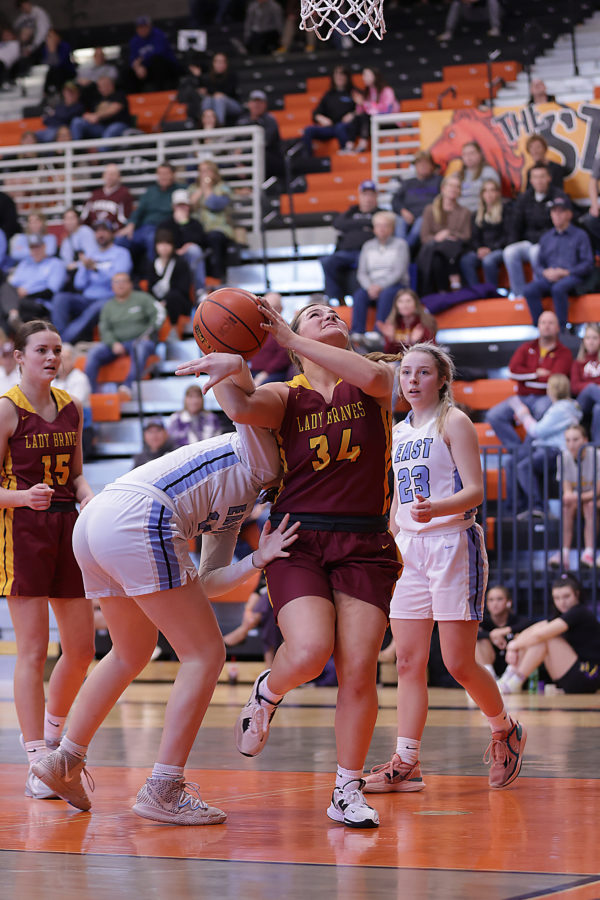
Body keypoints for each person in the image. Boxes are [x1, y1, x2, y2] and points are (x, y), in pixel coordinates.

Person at [31, 378, 298, 824]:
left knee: (130, 651)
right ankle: (164, 787)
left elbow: (206, 582)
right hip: (140, 515)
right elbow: (242, 407)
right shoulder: (263, 454)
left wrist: (256, 559)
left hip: (97, 522)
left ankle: (63, 760)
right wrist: (234, 366)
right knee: (206, 654)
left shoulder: (241, 495)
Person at [178, 301, 403, 829]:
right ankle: (269, 691)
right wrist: (229, 361)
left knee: (359, 669)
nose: (329, 315)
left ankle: (346, 788)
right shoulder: (286, 394)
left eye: (333, 312)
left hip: (365, 539)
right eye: (314, 314)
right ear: (295, 336)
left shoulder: (372, 374)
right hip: (299, 536)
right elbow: (242, 407)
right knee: (308, 651)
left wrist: (288, 338)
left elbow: (378, 379)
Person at [362, 342, 525, 796]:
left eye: (423, 372)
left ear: (442, 379)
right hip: (410, 550)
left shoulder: (454, 421)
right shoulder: (397, 431)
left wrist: (437, 508)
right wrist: (389, 541)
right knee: (408, 661)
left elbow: (475, 491)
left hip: (453, 543)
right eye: (406, 372)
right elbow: (397, 500)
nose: (412, 380)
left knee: (457, 662)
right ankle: (407, 762)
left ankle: (505, 729)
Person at [0, 320, 94, 799]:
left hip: (67, 527)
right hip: (22, 530)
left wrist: (87, 493)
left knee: (81, 649)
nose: (52, 357)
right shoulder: (6, 410)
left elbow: (76, 474)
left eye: (57, 349)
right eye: (41, 350)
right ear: (19, 356)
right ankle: (37, 758)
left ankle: (54, 742)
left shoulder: (71, 407)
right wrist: (20, 498)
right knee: (33, 650)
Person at [497, 574, 600, 694]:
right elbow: (534, 629)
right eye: (557, 598)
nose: (562, 602)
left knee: (546, 637)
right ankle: (510, 675)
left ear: (577, 594)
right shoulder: (562, 615)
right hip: (570, 676)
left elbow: (539, 635)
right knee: (539, 632)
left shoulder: (579, 612)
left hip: (588, 675)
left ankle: (514, 681)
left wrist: (512, 646)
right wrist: (515, 644)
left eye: (566, 596)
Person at [486, 310, 573, 448]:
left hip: (546, 396)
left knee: (542, 411)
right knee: (494, 415)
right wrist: (536, 374)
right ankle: (517, 451)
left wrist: (525, 380)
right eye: (543, 322)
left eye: (551, 323)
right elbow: (512, 372)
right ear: (538, 326)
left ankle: (528, 453)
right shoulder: (526, 348)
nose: (546, 326)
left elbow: (555, 381)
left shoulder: (564, 353)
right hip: (522, 396)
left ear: (557, 327)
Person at [507, 373, 581, 518]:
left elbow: (537, 431)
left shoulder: (561, 409)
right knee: (511, 462)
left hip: (555, 451)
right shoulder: (562, 407)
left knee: (524, 466)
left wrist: (524, 414)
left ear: (551, 390)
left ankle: (538, 507)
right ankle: (517, 509)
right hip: (542, 448)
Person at [51, 220, 132, 344]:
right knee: (60, 298)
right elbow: (79, 284)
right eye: (97, 231)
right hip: (86, 298)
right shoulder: (90, 255)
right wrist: (85, 268)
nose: (100, 234)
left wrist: (96, 269)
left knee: (95, 308)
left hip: (109, 299)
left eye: (104, 231)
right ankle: (58, 336)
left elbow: (120, 281)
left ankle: (62, 342)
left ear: (112, 233)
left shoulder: (121, 253)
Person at [522, 196, 593, 331]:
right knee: (529, 290)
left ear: (569, 214)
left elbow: (588, 263)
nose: (557, 215)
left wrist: (567, 272)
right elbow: (538, 265)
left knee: (558, 288)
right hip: (550, 277)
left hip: (573, 277)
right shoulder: (546, 237)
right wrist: (545, 272)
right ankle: (541, 328)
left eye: (561, 211)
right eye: (554, 211)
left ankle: (561, 330)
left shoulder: (580, 235)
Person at [83, 272, 159, 399]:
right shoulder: (108, 306)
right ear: (112, 286)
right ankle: (91, 393)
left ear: (130, 284)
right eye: (116, 282)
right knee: (93, 352)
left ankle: (127, 387)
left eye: (124, 281)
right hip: (117, 343)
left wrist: (149, 333)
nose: (120, 285)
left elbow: (158, 315)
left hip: (140, 340)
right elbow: (104, 328)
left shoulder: (142, 298)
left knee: (140, 347)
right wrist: (113, 343)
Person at [502, 163, 561, 298]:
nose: (539, 180)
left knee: (536, 252)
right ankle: (519, 294)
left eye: (542, 177)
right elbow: (516, 224)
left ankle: (537, 292)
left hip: (549, 243)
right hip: (529, 241)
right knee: (510, 252)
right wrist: (513, 241)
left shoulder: (557, 196)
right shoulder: (525, 198)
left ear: (549, 178)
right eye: (535, 177)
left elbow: (558, 226)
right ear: (531, 180)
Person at [549, 424, 600, 570]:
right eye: (568, 440)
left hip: (594, 500)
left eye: (575, 439)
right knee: (566, 506)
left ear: (585, 440)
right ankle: (564, 554)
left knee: (590, 505)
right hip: (580, 500)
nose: (571, 444)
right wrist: (571, 496)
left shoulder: (597, 456)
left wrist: (576, 497)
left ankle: (589, 553)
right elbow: (567, 491)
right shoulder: (563, 457)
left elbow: (597, 491)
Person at [320, 180, 380, 302]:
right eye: (365, 194)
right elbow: (338, 224)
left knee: (356, 274)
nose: (368, 198)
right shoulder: (352, 211)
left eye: (371, 195)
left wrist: (352, 224)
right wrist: (364, 224)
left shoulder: (380, 213)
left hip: (368, 253)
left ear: (376, 197)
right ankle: (337, 300)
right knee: (326, 261)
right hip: (346, 252)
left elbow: (381, 224)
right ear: (360, 196)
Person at [351, 211, 410, 336]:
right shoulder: (367, 246)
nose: (381, 229)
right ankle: (357, 333)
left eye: (385, 225)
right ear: (374, 228)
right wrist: (370, 287)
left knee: (386, 294)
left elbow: (398, 272)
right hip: (372, 286)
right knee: (359, 295)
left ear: (392, 228)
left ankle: (379, 333)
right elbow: (362, 272)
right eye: (378, 225)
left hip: (395, 285)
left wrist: (380, 286)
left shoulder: (401, 245)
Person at [118, 162, 185, 263]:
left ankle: (153, 271)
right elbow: (139, 210)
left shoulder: (180, 191)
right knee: (120, 240)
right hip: (144, 228)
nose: (163, 177)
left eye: (166, 173)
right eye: (160, 174)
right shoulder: (150, 191)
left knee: (152, 238)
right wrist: (131, 224)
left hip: (163, 229)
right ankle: (122, 272)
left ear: (173, 175)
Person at [416, 175, 471, 295]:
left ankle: (441, 292)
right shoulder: (430, 210)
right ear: (443, 188)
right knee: (437, 255)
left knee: (446, 248)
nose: (454, 189)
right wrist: (437, 238)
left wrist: (449, 233)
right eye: (451, 186)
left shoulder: (465, 212)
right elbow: (424, 237)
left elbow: (466, 236)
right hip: (435, 248)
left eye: (457, 187)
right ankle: (453, 276)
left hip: (456, 247)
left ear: (460, 191)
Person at [6, 235, 67, 327]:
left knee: (20, 304)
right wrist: (18, 291)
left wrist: (27, 294)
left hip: (40, 303)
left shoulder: (55, 263)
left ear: (44, 247)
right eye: (32, 248)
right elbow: (12, 283)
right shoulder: (25, 263)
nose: (35, 251)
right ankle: (13, 318)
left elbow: (51, 292)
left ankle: (16, 320)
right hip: (19, 299)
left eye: (38, 247)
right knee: (5, 289)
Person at [460, 179, 511, 288]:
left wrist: (491, 249)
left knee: (488, 261)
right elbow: (474, 237)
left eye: (492, 190)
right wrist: (479, 249)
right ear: (482, 194)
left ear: (498, 193)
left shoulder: (506, 211)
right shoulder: (476, 214)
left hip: (500, 249)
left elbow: (508, 235)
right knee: (466, 260)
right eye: (486, 191)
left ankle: (491, 291)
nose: (489, 194)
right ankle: (477, 291)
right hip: (482, 250)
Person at [190, 159, 234, 282]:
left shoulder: (222, 188)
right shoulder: (193, 188)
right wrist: (200, 190)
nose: (204, 174)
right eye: (201, 171)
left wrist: (207, 190)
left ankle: (217, 277)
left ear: (214, 172)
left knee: (214, 238)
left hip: (218, 228)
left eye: (207, 171)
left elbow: (215, 205)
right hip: (197, 229)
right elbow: (188, 207)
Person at [159, 189, 207, 295]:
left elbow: (200, 241)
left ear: (189, 207)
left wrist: (184, 224)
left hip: (189, 257)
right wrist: (175, 251)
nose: (181, 208)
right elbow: (162, 241)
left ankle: (200, 291)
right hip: (170, 255)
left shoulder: (195, 224)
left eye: (184, 205)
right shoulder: (165, 224)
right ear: (173, 207)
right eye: (178, 205)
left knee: (194, 250)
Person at [476, 585, 530, 678]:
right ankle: (489, 678)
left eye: (499, 599)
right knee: (479, 641)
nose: (495, 603)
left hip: (512, 666)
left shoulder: (515, 620)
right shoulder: (484, 622)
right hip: (491, 664)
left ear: (509, 602)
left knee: (520, 637)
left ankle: (510, 678)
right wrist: (491, 635)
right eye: (491, 600)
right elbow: (468, 634)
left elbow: (529, 624)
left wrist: (504, 631)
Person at [391, 151, 442, 249]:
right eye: (419, 163)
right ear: (415, 166)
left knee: (418, 226)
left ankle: (403, 249)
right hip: (406, 214)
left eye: (426, 163)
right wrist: (403, 211)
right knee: (399, 222)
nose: (423, 166)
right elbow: (395, 200)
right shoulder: (408, 183)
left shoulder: (438, 181)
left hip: (426, 215)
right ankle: (402, 248)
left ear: (432, 166)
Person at [301, 66, 356, 156]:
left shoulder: (353, 93)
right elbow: (316, 113)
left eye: (342, 74)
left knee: (340, 127)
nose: (339, 77)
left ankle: (345, 151)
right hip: (331, 127)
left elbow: (363, 109)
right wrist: (321, 118)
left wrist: (353, 114)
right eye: (337, 74)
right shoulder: (329, 95)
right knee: (309, 130)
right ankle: (308, 158)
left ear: (347, 77)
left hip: (346, 127)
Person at [52, 342, 94, 460]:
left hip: (80, 432)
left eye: (66, 358)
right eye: (60, 358)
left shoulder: (80, 378)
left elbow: (71, 407)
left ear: (73, 360)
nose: (62, 362)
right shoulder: (52, 381)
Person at [144, 229, 193, 330]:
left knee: (173, 297)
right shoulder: (152, 264)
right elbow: (150, 288)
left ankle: (173, 329)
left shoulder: (180, 263)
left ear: (173, 245)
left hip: (178, 303)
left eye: (167, 243)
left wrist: (165, 302)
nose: (164, 247)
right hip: (158, 302)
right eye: (161, 244)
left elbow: (183, 289)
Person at [236, 90, 284, 179]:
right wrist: (238, 160)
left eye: (260, 102)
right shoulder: (242, 121)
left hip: (269, 158)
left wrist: (242, 153)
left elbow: (265, 142)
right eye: (254, 101)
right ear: (249, 104)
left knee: (261, 155)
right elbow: (236, 141)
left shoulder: (270, 120)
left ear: (265, 104)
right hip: (247, 157)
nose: (256, 105)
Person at [69, 75, 131, 143]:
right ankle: (76, 148)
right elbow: (88, 113)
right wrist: (87, 116)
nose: (104, 88)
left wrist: (97, 116)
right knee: (77, 121)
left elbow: (114, 109)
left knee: (111, 130)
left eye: (106, 85)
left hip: (119, 125)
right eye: (101, 86)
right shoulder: (97, 98)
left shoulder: (119, 95)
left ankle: (102, 149)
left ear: (112, 85)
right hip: (100, 126)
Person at [376, 288, 437, 354]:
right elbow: (388, 353)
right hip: (397, 359)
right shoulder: (392, 323)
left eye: (408, 301)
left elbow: (432, 351)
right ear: (396, 305)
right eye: (400, 301)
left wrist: (414, 342)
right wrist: (391, 339)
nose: (404, 305)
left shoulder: (424, 322)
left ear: (416, 304)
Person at [248, 291, 291, 385]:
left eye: (273, 307)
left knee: (259, 388)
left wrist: (265, 374)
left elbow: (283, 358)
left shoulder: (286, 329)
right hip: (253, 371)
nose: (269, 310)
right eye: (265, 306)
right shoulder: (257, 327)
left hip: (274, 373)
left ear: (281, 309)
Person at [352, 67, 398, 154]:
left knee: (366, 118)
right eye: (363, 75)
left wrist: (365, 104)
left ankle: (362, 144)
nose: (364, 78)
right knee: (357, 118)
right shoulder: (367, 93)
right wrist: (359, 104)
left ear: (375, 76)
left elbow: (387, 109)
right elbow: (361, 111)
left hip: (388, 121)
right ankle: (349, 145)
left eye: (367, 75)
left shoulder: (387, 90)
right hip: (372, 122)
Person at [127, 16, 179, 92]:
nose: (142, 30)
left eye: (145, 27)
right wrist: (137, 67)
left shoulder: (158, 34)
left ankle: (161, 92)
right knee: (128, 72)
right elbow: (133, 59)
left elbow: (159, 52)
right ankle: (134, 96)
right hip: (146, 69)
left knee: (157, 61)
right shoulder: (134, 41)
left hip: (167, 67)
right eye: (140, 27)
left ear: (150, 27)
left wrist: (142, 59)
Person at [80, 163, 134, 232]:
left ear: (119, 177)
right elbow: (84, 217)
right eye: (107, 174)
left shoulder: (124, 194)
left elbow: (124, 219)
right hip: (94, 231)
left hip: (112, 232)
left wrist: (113, 232)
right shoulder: (95, 195)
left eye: (113, 174)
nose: (109, 177)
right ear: (103, 176)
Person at [166, 383, 222, 448]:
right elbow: (171, 442)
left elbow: (217, 442)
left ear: (202, 399)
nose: (194, 401)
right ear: (185, 399)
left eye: (198, 396)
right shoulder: (176, 418)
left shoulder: (211, 418)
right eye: (191, 397)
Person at [571, 323, 600, 446]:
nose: (591, 342)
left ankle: (597, 446)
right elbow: (574, 387)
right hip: (582, 404)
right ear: (584, 341)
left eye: (595, 338)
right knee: (591, 388)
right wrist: (594, 386)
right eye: (588, 338)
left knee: (598, 408)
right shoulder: (578, 363)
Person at [457, 141, 500, 214]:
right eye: (465, 154)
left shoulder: (489, 173)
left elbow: (494, 198)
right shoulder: (456, 175)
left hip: (479, 213)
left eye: (472, 153)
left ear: (480, 154)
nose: (468, 157)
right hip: (457, 214)